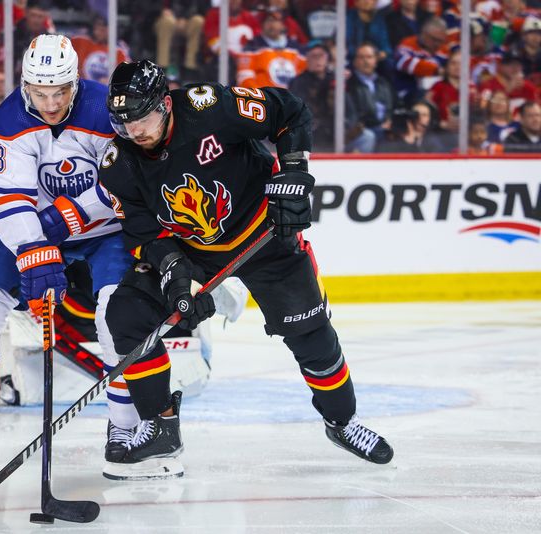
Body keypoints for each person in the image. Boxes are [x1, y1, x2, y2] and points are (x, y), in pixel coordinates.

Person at [98, 59, 394, 478]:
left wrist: (293, 172)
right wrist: (175, 274)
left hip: (265, 236)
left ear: (165, 104)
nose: (135, 131)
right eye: (125, 123)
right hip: (193, 249)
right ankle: (160, 424)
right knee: (125, 315)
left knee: (311, 337)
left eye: (143, 118)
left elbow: (290, 112)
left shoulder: (209, 107)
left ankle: (341, 422)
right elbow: (145, 233)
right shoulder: (118, 164)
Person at [0, 34, 140, 468]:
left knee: (117, 320)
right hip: (38, 227)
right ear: (24, 84)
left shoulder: (107, 109)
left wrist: (65, 218)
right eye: (39, 92)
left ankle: (127, 428)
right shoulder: (8, 118)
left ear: (75, 81)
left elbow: (126, 182)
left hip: (109, 231)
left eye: (59, 92)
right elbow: (8, 197)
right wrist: (34, 248)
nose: (50, 104)